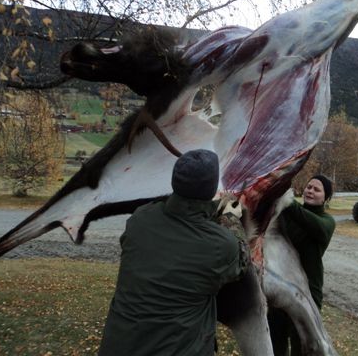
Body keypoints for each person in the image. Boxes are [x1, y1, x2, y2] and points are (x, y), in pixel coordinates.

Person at [98, 149, 249, 356]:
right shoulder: (220, 244)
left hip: (119, 347)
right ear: (212, 187)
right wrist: (231, 217)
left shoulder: (140, 220)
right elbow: (241, 261)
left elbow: (176, 219)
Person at [268, 175, 336, 356]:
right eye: (309, 187)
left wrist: (287, 201)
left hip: (308, 293)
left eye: (317, 189)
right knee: (275, 340)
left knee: (302, 346)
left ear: (326, 198)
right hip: (280, 287)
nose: (310, 191)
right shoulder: (288, 215)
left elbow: (315, 227)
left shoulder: (326, 222)